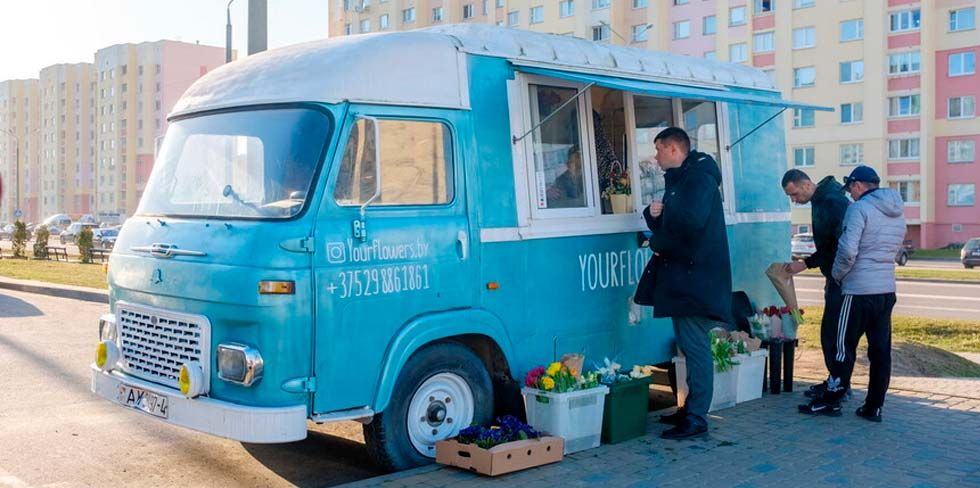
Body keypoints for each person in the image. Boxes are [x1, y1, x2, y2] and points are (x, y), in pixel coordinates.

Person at [635, 127, 732, 439]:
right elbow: (676, 219)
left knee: (695, 347)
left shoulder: (697, 179)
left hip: (696, 279)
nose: (656, 156)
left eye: (659, 149)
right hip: (687, 278)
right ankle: (690, 409)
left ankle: (697, 417)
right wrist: (653, 216)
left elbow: (690, 224)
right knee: (689, 347)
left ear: (673, 149)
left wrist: (658, 242)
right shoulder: (684, 179)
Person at [799, 165, 906, 422]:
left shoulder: (859, 209)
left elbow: (847, 251)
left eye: (851, 189)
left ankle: (832, 400)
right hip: (886, 290)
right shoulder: (897, 213)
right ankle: (873, 407)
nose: (850, 194)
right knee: (880, 351)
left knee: (841, 346)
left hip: (858, 290)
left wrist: (837, 275)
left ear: (858, 185)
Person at [781, 170, 851, 399]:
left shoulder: (831, 202)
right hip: (835, 275)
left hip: (843, 277)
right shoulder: (822, 199)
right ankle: (837, 381)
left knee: (833, 333)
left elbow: (838, 243)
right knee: (832, 332)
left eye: (794, 194)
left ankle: (838, 384)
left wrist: (806, 263)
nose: (794, 200)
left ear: (807, 184)